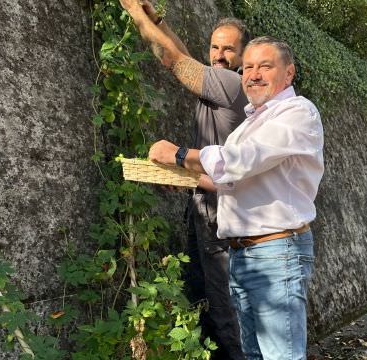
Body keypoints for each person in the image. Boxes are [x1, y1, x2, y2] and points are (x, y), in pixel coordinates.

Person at [148, 36, 324, 360]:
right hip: (245, 254)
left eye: (265, 66)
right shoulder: (252, 122)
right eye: (249, 67)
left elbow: (240, 159)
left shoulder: (297, 112)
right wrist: (189, 180)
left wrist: (179, 154)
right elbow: (233, 181)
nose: (253, 74)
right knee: (253, 354)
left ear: (289, 73)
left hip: (275, 252)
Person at [118, 1, 248, 359]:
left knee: (226, 314)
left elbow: (174, 60)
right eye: (215, 47)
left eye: (228, 49)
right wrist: (157, 17)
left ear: (241, 58)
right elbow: (187, 56)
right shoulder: (217, 82)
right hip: (204, 212)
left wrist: (135, 13)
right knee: (205, 303)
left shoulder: (232, 84)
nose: (219, 55)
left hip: (223, 221)